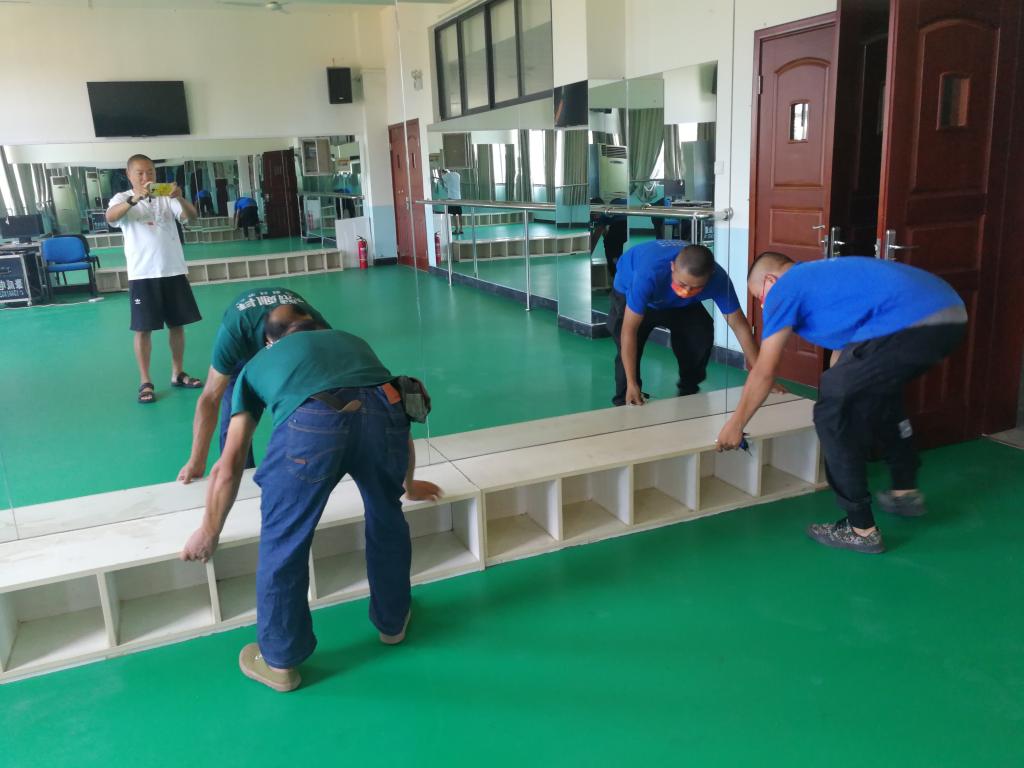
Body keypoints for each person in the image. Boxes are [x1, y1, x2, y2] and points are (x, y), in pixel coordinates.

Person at [180, 305, 442, 692]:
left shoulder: (257, 364)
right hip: (384, 417)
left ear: (270, 340)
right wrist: (409, 483)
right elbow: (397, 415)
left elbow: (230, 463)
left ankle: (280, 661)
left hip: (312, 424)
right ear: (318, 327)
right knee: (386, 515)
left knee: (285, 539)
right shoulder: (352, 341)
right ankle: (394, 622)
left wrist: (209, 530)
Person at [716, 253, 967, 554]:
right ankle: (905, 491)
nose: (763, 305)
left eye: (760, 297)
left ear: (770, 280)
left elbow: (764, 371)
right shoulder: (825, 279)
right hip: (950, 314)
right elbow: (849, 356)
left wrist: (736, 423)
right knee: (880, 395)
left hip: (907, 321)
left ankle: (860, 528)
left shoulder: (785, 287)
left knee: (831, 414)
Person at [177, 287, 329, 484]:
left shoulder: (318, 329)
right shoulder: (235, 331)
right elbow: (210, 397)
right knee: (235, 418)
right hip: (245, 351)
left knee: (307, 409)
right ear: (269, 341)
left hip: (298, 351)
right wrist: (196, 460)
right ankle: (237, 477)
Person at [607, 240, 774, 407]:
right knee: (627, 347)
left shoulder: (718, 279)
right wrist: (632, 382)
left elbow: (740, 326)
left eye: (695, 287)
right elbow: (629, 331)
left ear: (709, 277)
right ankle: (626, 397)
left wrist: (763, 377)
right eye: (682, 284)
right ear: (672, 267)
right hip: (631, 293)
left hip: (678, 304)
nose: (686, 291)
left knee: (699, 333)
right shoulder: (648, 274)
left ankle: (688, 393)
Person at [106, 155, 203, 405]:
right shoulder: (121, 198)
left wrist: (179, 197)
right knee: (143, 329)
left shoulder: (165, 196)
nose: (146, 177)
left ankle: (177, 373)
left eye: (150, 171)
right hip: (143, 274)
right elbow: (111, 217)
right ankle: (145, 381)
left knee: (177, 325)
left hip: (173, 270)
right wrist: (134, 199)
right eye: (140, 173)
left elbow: (191, 217)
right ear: (129, 174)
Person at [589, 197, 628, 281]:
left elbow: (596, 237)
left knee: (611, 246)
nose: (595, 217)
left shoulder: (603, 213)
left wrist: (588, 256)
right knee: (612, 244)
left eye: (594, 214)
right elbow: (605, 234)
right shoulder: (616, 203)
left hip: (621, 224)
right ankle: (618, 267)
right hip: (629, 222)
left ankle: (615, 275)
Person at [441, 168, 463, 235]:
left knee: (454, 214)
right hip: (458, 197)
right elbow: (448, 185)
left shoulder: (448, 175)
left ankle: (456, 229)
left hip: (452, 197)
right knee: (459, 214)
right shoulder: (458, 175)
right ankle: (461, 229)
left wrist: (441, 174)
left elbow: (442, 178)